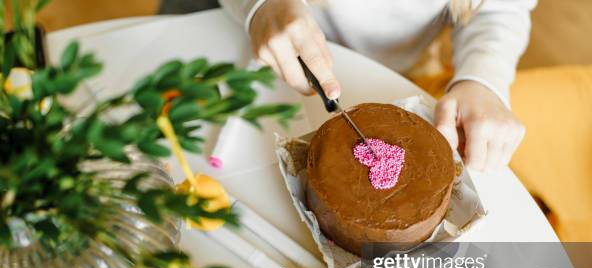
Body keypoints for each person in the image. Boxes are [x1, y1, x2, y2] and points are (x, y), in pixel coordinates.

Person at [219, 0, 536, 172]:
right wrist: (259, 6)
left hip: (395, 68)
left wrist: (483, 79)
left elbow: (500, 8)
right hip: (243, 38)